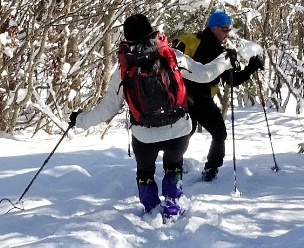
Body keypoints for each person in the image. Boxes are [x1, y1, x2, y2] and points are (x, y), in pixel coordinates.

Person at [70, 13, 232, 217]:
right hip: (179, 130)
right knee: (173, 165)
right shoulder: (172, 55)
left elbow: (106, 110)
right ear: (151, 31)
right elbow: (204, 74)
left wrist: (79, 120)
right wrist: (226, 60)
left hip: (144, 135)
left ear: (127, 38)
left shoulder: (124, 68)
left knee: (145, 171)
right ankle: (172, 205)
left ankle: (151, 209)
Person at [178, 9, 264, 182]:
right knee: (219, 133)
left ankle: (174, 166)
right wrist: (252, 67)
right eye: (224, 29)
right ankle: (211, 170)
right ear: (214, 28)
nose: (227, 33)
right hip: (200, 99)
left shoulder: (189, 40)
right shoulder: (219, 52)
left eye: (229, 29)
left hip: (180, 97)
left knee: (186, 132)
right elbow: (233, 81)